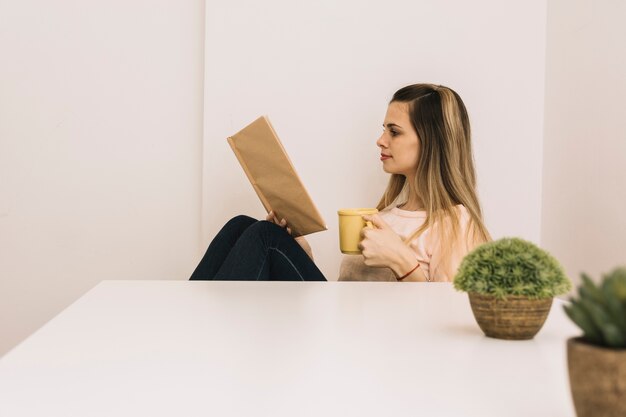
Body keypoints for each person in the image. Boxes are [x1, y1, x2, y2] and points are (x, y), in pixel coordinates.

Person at [189, 83, 491, 282]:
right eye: (383, 129)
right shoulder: (383, 217)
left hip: (375, 346)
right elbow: (348, 294)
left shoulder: (457, 224)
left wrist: (403, 263)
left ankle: (194, 341)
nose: (380, 140)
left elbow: (452, 319)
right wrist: (297, 250)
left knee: (264, 237)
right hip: (340, 319)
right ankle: (189, 330)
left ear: (431, 142)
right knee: (241, 225)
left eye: (394, 132)